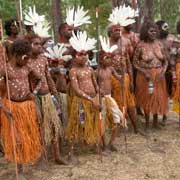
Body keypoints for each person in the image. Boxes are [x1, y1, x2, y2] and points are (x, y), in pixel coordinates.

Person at [0, 39, 42, 179]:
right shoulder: (5, 69)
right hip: (12, 108)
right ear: (16, 54)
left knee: (26, 136)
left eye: (29, 57)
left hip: (27, 107)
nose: (27, 60)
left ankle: (24, 165)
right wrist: (3, 108)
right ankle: (19, 169)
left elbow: (40, 79)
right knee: (16, 139)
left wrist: (33, 94)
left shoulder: (27, 67)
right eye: (25, 57)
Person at [27, 34, 67, 165]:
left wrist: (54, 92)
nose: (39, 46)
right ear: (29, 46)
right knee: (40, 127)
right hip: (35, 98)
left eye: (40, 44)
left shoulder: (43, 59)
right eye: (36, 44)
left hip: (48, 96)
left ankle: (57, 156)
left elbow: (48, 77)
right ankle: (41, 157)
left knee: (54, 125)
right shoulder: (26, 61)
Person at [66, 31, 101, 163]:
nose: (83, 57)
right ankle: (71, 152)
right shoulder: (73, 71)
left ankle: (95, 146)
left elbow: (95, 84)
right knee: (76, 124)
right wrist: (91, 99)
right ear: (74, 57)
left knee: (93, 121)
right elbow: (76, 89)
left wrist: (98, 93)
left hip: (93, 101)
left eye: (85, 54)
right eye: (80, 55)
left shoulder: (90, 69)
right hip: (81, 102)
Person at [133, 21, 168, 131]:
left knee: (157, 98)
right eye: (151, 31)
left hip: (159, 76)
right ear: (145, 32)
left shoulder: (159, 44)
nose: (153, 33)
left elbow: (165, 61)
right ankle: (147, 123)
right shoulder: (140, 45)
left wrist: (163, 72)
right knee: (147, 99)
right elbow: (134, 63)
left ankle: (155, 122)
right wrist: (144, 72)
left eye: (155, 31)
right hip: (145, 77)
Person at [96, 37, 126, 151]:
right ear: (100, 59)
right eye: (106, 58)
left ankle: (111, 143)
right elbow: (95, 85)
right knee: (101, 121)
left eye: (110, 57)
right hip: (101, 99)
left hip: (110, 97)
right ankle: (103, 145)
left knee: (118, 119)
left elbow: (120, 79)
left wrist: (123, 69)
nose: (109, 60)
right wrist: (99, 91)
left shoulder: (110, 69)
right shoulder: (96, 71)